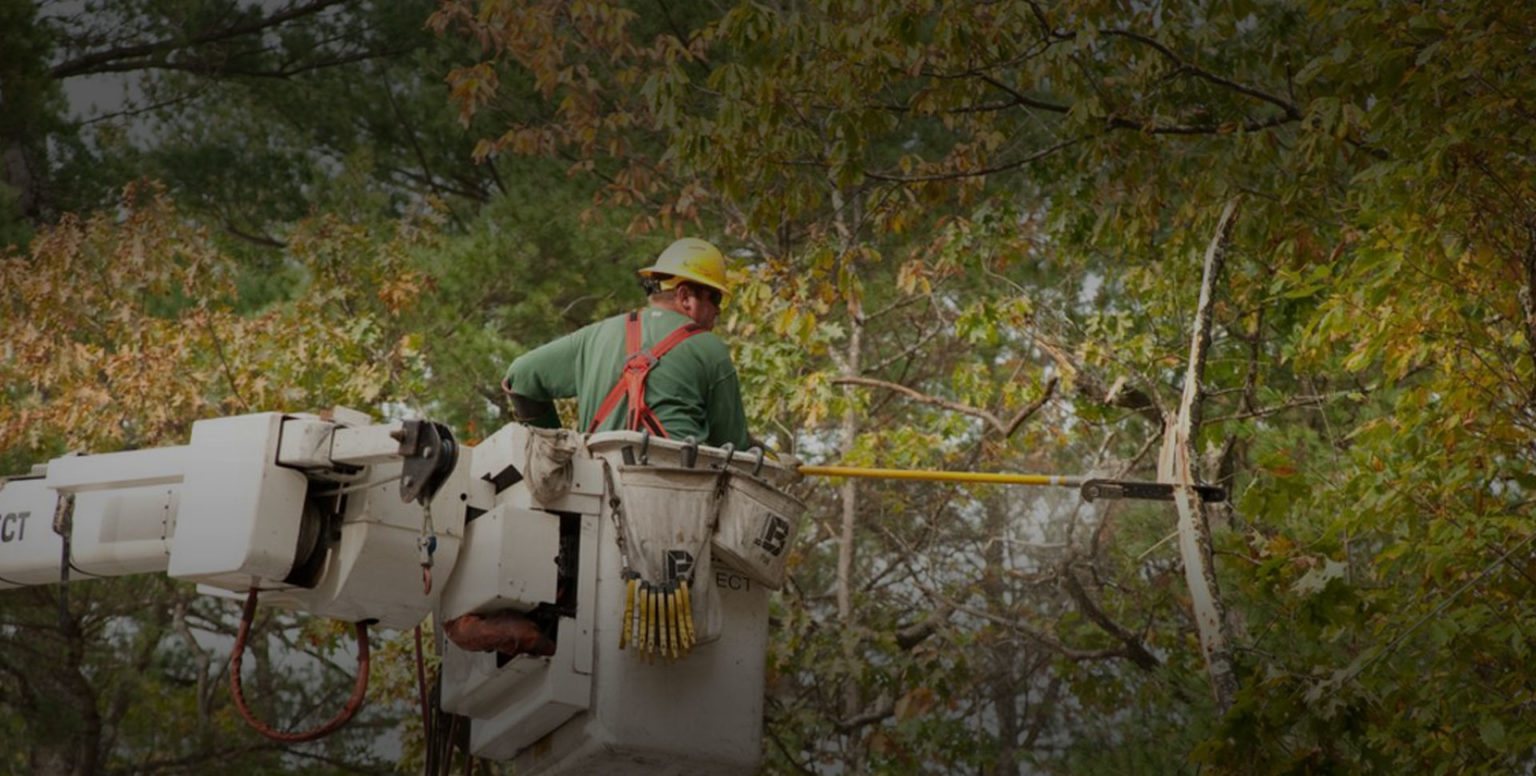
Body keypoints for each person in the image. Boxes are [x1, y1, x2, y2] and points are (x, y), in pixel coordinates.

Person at [501, 237, 751, 449]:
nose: (718, 310)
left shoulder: (593, 336)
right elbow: (733, 449)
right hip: (683, 494)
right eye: (715, 298)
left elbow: (521, 375)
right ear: (684, 296)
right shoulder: (710, 348)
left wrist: (556, 445)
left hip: (599, 491)